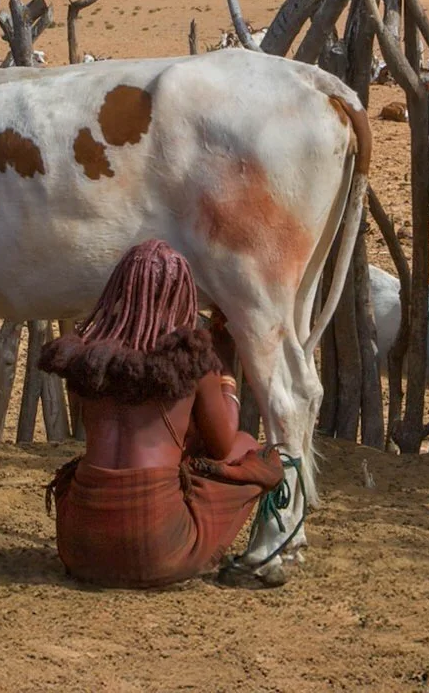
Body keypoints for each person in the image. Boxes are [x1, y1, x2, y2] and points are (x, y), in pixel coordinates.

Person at [41, 239, 285, 588]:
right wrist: (224, 372)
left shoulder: (87, 358)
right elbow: (222, 445)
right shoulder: (190, 362)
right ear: (182, 294)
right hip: (157, 550)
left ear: (118, 290)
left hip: (79, 545)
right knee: (249, 450)